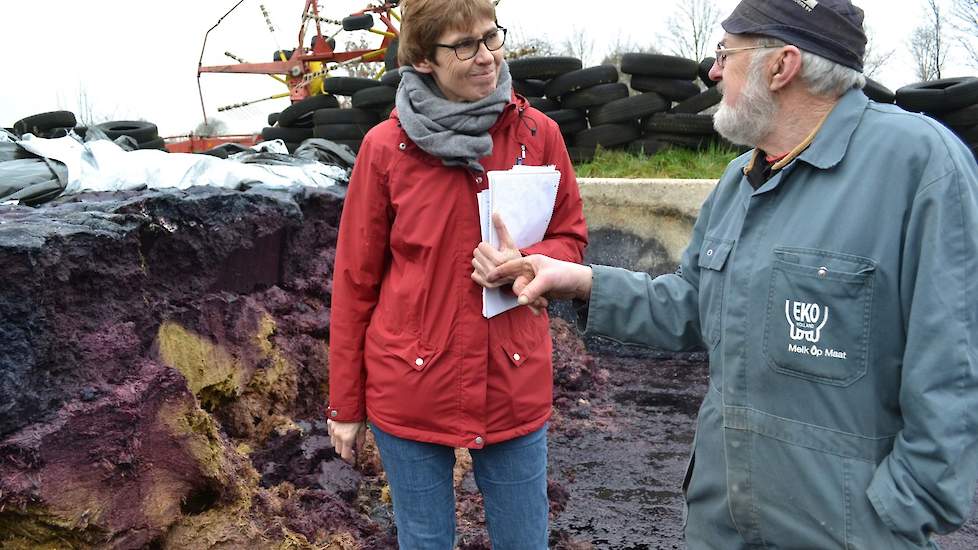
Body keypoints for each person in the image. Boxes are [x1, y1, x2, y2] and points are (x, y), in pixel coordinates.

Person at [484, 0, 978, 547]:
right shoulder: (738, 182)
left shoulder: (919, 167)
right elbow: (693, 306)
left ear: (781, 65)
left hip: (849, 531)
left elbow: (952, 370)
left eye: (726, 53)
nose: (714, 71)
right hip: (723, 523)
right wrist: (576, 279)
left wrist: (897, 513)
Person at [325, 0, 588, 547]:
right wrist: (345, 406)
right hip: (411, 380)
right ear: (423, 59)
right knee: (424, 541)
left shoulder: (537, 136)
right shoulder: (385, 150)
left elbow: (571, 239)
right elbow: (355, 284)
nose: (486, 57)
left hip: (512, 376)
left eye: (491, 38)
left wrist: (530, 259)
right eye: (464, 46)